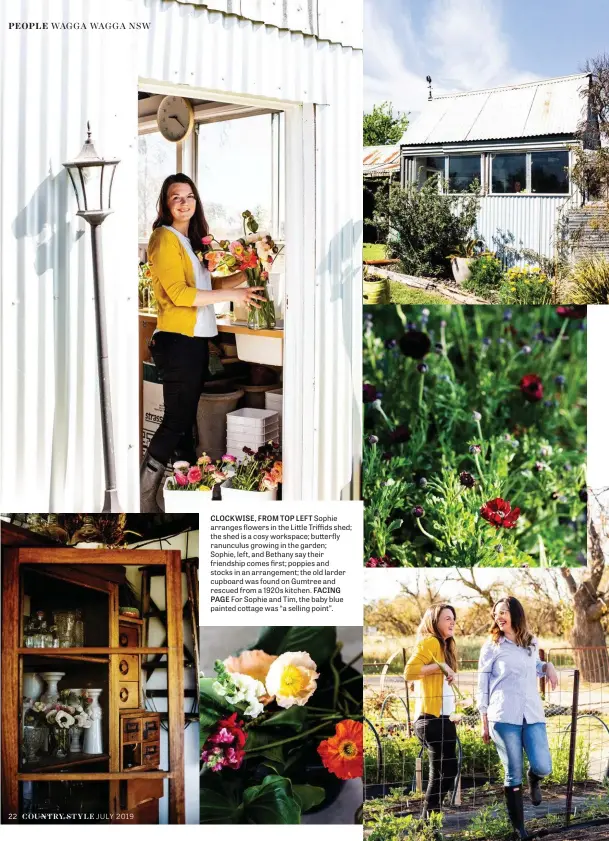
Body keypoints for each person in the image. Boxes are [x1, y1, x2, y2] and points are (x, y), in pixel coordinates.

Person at [140, 174, 266, 511]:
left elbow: (213, 282)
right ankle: (143, 498)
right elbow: (181, 295)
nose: (183, 202)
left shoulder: (187, 243)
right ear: (165, 206)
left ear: (197, 201)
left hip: (192, 341)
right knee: (176, 422)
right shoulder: (163, 238)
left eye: (189, 196)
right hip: (177, 341)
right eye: (175, 197)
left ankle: (173, 498)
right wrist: (233, 294)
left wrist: (250, 271)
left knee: (182, 427)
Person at [478, 596, 558, 840]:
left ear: (515, 614)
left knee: (544, 765)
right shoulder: (492, 646)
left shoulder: (530, 642)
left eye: (503, 612)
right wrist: (483, 720)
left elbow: (536, 666)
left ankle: (534, 778)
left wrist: (548, 667)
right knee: (512, 771)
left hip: (531, 713)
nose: (498, 617)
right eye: (496, 613)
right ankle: (520, 831)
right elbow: (482, 685)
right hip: (503, 716)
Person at [404, 604, 459, 818]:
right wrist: (441, 666)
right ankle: (428, 823)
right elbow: (409, 672)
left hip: (443, 719)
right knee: (445, 773)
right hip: (432, 720)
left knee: (442, 774)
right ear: (434, 622)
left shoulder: (443, 646)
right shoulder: (431, 641)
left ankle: (429, 823)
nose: (452, 621)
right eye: (447, 618)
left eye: (453, 618)